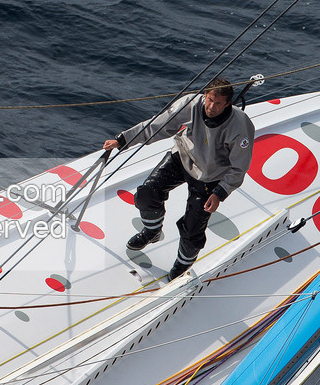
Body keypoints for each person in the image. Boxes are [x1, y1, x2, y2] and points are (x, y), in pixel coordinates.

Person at [103, 77, 256, 280]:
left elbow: (239, 167)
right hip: (183, 157)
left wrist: (220, 192)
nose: (211, 106)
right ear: (204, 96)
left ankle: (182, 267)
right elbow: (158, 125)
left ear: (228, 103)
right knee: (146, 194)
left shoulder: (241, 126)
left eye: (218, 103)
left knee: (192, 229)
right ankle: (152, 231)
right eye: (209, 100)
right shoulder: (191, 104)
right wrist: (123, 140)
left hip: (210, 176)